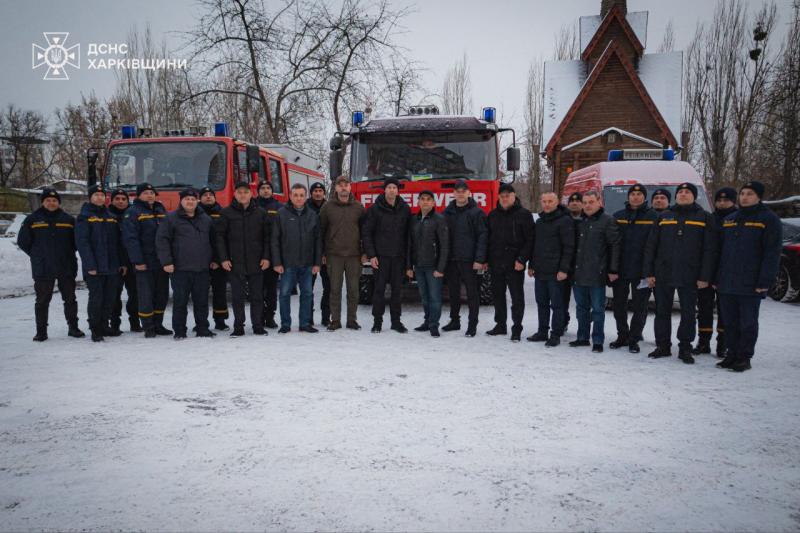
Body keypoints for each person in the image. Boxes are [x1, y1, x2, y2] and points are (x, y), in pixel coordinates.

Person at [644, 182, 716, 364]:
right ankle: (662, 346)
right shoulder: (664, 216)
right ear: (676, 196)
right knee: (662, 311)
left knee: (688, 313)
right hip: (663, 273)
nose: (683, 194)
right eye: (680, 192)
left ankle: (685, 347)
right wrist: (649, 272)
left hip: (690, 275)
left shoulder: (704, 218)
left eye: (687, 192)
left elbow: (709, 250)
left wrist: (704, 276)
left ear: (694, 196)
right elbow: (651, 246)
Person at [715, 181, 782, 372]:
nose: (744, 197)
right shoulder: (731, 219)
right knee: (729, 322)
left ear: (759, 197)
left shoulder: (768, 220)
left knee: (748, 322)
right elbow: (720, 251)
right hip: (727, 281)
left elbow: (772, 253)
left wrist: (765, 281)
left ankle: (744, 357)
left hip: (751, 283)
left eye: (749, 194)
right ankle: (732, 353)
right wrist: (717, 277)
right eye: (742, 193)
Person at [17, 187, 84, 341]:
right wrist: (37, 255)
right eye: (48, 200)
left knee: (70, 299)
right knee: (42, 300)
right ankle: (41, 331)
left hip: (65, 265)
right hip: (43, 267)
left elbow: (76, 242)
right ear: (43, 202)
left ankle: (73, 327)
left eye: (54, 200)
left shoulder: (68, 220)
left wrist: (67, 253)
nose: (51, 203)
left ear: (58, 203)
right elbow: (23, 241)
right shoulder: (32, 220)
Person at [156, 187, 216, 339]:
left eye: (192, 199)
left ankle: (202, 328)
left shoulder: (206, 219)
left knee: (202, 302)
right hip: (180, 269)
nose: (190, 202)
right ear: (181, 201)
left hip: (202, 268)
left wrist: (215, 259)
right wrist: (167, 262)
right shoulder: (170, 219)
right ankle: (180, 331)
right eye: (186, 199)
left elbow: (214, 241)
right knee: (180, 302)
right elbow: (162, 241)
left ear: (197, 201)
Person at [215, 181, 271, 336]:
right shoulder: (226, 213)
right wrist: (224, 259)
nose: (243, 195)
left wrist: (266, 257)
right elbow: (219, 238)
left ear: (251, 194)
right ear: (235, 194)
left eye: (246, 192)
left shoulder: (261, 213)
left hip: (257, 261)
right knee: (237, 297)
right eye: (239, 192)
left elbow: (267, 238)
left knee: (257, 296)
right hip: (234, 262)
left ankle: (258, 326)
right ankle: (238, 326)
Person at [568, 191, 620, 352]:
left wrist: (613, 269)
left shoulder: (607, 221)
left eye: (591, 202)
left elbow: (615, 246)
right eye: (585, 202)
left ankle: (597, 340)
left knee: (598, 310)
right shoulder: (579, 222)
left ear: (599, 202)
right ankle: (582, 337)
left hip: (597, 273)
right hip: (578, 273)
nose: (588, 205)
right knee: (581, 308)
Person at [610, 184, 658, 353]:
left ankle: (634, 338)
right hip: (621, 270)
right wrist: (612, 268)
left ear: (644, 197)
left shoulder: (653, 217)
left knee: (640, 307)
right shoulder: (618, 216)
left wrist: (650, 272)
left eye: (639, 194)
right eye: (633, 194)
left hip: (642, 272)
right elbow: (612, 244)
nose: (635, 197)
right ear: (628, 197)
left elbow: (654, 247)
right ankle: (622, 335)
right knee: (619, 306)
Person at [75, 184, 125, 342]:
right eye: (96, 195)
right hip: (95, 267)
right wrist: (90, 265)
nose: (99, 198)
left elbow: (118, 243)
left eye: (102, 195)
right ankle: (95, 329)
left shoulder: (111, 216)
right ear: (90, 198)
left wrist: (121, 263)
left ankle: (105, 325)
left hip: (112, 266)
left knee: (109, 298)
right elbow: (83, 243)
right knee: (96, 298)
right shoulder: (84, 217)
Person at [486, 183, 535, 342]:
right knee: (498, 296)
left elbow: (530, 241)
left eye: (508, 195)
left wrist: (522, 259)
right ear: (499, 198)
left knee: (516, 298)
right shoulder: (493, 215)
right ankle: (500, 325)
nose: (505, 198)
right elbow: (488, 239)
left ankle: (517, 328)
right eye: (502, 196)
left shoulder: (524, 215)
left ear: (514, 196)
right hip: (496, 262)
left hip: (515, 263)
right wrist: (486, 259)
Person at [122, 183, 171, 338]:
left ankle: (158, 324)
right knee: (145, 296)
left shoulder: (160, 210)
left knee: (161, 294)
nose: (149, 195)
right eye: (145, 193)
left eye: (152, 192)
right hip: (145, 262)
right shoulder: (133, 212)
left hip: (161, 261)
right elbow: (131, 239)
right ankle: (148, 327)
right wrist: (137, 261)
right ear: (138, 196)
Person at [362, 177, 411, 333]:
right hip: (380, 257)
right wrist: (371, 255)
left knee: (397, 291)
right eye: (389, 187)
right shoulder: (375, 209)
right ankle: (377, 322)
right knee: (379, 291)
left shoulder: (405, 209)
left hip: (398, 257)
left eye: (394, 187)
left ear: (398, 190)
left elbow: (408, 235)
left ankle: (396, 322)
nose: (392, 190)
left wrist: (408, 259)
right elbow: (367, 233)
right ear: (384, 190)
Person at [271, 183, 322, 333]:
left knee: (307, 294)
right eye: (295, 195)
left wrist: (317, 262)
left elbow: (318, 240)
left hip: (307, 263)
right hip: (288, 264)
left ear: (306, 197)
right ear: (290, 196)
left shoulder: (313, 215)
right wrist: (277, 262)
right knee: (285, 294)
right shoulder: (281, 214)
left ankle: (305, 323)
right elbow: (275, 240)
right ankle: (285, 324)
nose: (299, 198)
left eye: (301, 195)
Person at [694, 187, 738, 356]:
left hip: (727, 272)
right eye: (719, 200)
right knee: (704, 309)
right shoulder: (709, 218)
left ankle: (723, 344)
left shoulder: (737, 219)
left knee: (725, 310)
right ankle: (703, 342)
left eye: (725, 200)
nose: (722, 203)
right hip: (706, 271)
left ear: (733, 201)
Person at [319, 175, 366, 331]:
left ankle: (352, 320)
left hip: (354, 255)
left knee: (353, 290)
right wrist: (322, 253)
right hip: (334, 255)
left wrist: (364, 252)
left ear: (350, 187)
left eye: (346, 184)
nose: (343, 187)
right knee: (335, 290)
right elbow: (321, 231)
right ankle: (335, 320)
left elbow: (365, 232)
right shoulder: (327, 207)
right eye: (340, 185)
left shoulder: (359, 207)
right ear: (336, 188)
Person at [527, 191, 574, 346]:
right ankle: (542, 331)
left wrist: (563, 269)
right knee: (542, 303)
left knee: (557, 305)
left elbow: (569, 248)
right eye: (544, 201)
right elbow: (535, 245)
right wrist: (532, 264)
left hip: (556, 272)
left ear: (557, 202)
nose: (546, 204)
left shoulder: (565, 221)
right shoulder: (539, 222)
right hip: (540, 270)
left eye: (550, 201)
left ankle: (555, 334)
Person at [442, 179, 487, 337]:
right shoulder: (447, 213)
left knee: (471, 293)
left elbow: (483, 237)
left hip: (470, 260)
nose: (460, 194)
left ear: (469, 193)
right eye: (457, 191)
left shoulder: (477, 213)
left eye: (463, 191)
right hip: (452, 259)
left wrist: (479, 259)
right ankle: (455, 321)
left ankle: (472, 325)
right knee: (453, 292)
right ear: (453, 194)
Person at [407, 190, 449, 337]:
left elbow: (445, 246)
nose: (425, 202)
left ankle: (434, 325)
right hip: (418, 266)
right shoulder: (415, 220)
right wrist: (409, 266)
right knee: (424, 297)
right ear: (418, 202)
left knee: (435, 297)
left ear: (433, 202)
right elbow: (410, 245)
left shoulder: (439, 219)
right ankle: (427, 322)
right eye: (422, 199)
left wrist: (440, 268)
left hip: (433, 267)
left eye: (428, 199)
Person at [108, 189, 140, 333]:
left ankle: (135, 323)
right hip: (114, 263)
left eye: (123, 199)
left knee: (135, 295)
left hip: (132, 261)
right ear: (112, 200)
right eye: (117, 199)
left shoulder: (133, 215)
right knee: (114, 295)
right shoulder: (107, 216)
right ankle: (115, 324)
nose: (120, 201)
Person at [199, 186, 229, 331]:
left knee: (220, 293)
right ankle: (201, 322)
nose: (208, 197)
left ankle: (221, 321)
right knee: (201, 295)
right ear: (200, 198)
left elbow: (223, 239)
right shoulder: (194, 214)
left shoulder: (222, 214)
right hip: (201, 262)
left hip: (218, 262)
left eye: (211, 195)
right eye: (205, 195)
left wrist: (218, 260)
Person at [255, 180, 282, 328]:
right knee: (257, 290)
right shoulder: (252, 205)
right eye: (262, 188)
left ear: (272, 191)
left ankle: (270, 317)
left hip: (273, 255)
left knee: (271, 290)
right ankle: (258, 317)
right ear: (258, 191)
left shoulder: (279, 207)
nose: (265, 190)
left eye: (268, 188)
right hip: (256, 254)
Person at [306, 181, 331, 327]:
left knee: (329, 288)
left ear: (324, 193)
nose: (318, 193)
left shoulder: (329, 208)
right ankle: (308, 316)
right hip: (310, 254)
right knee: (308, 287)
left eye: (320, 191)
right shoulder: (305, 208)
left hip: (327, 254)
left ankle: (325, 316)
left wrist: (325, 252)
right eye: (315, 191)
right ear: (311, 193)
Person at [563, 192, 584, 332]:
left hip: (582, 266)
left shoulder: (588, 219)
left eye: (578, 201)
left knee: (582, 302)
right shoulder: (563, 219)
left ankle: (583, 330)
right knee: (562, 300)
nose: (575, 203)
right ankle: (563, 322)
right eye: (572, 201)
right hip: (564, 266)